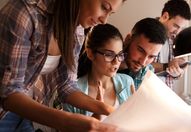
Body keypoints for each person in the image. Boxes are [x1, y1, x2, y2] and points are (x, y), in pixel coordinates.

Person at [0, 0, 126, 131]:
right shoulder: (26, 14)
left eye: (110, 13)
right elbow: (9, 93)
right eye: (104, 7)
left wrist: (104, 108)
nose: (104, 20)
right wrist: (65, 121)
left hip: (27, 108)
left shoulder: (77, 29)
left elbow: (65, 85)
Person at [63, 24, 135, 120]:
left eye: (120, 54)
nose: (116, 61)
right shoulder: (72, 91)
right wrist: (97, 114)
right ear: (90, 53)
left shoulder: (127, 82)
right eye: (109, 55)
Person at [152, 0, 191, 89]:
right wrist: (167, 66)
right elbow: (140, 65)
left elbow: (173, 75)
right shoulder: (147, 31)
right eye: (176, 26)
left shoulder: (175, 38)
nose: (178, 32)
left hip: (166, 94)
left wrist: (178, 71)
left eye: (181, 28)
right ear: (165, 16)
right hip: (146, 94)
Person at [119, 17, 167, 89]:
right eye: (141, 50)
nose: (143, 62)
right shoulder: (102, 61)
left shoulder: (146, 71)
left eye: (151, 57)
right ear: (128, 39)